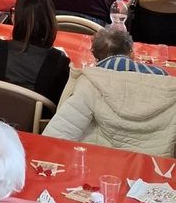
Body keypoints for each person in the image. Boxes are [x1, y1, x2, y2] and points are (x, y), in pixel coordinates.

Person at [42, 55, 176, 154]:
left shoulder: (90, 84)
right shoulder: (170, 94)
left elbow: (53, 140)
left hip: (86, 170)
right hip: (154, 180)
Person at [0, 0, 70, 106]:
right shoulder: (58, 61)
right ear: (51, 21)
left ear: (15, 18)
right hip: (37, 122)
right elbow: (61, 101)